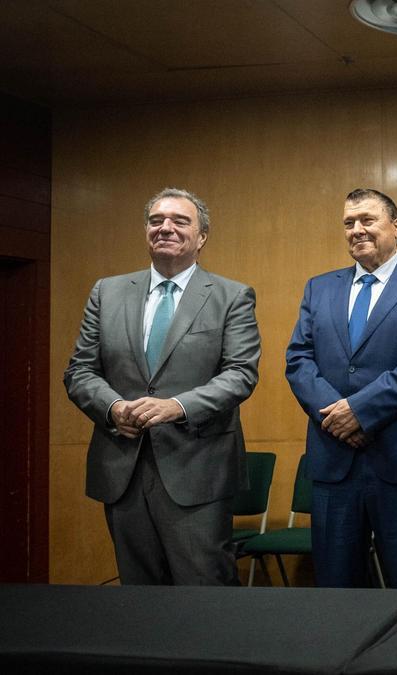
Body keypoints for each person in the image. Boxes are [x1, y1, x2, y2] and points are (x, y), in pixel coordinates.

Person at [64, 187, 261, 585]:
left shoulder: (231, 296)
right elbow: (80, 370)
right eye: (156, 221)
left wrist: (178, 406)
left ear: (202, 236)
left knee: (204, 591)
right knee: (139, 597)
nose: (165, 228)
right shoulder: (107, 292)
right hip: (123, 467)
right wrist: (113, 408)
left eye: (179, 221)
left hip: (197, 468)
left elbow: (240, 373)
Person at [285, 187, 397, 589]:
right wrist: (337, 413)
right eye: (349, 223)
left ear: (396, 227)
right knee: (337, 592)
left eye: (367, 220)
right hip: (335, 461)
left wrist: (359, 411)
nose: (357, 229)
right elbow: (298, 359)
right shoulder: (319, 287)